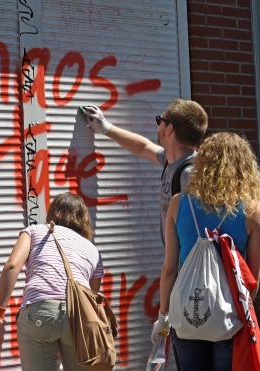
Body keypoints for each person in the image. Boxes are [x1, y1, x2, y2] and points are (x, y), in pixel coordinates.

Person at [82, 100, 208, 371]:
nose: (158, 126)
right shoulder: (174, 162)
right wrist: (105, 128)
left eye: (159, 121)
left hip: (190, 277)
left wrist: (164, 312)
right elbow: (142, 147)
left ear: (169, 129)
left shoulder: (190, 174)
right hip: (181, 276)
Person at [154, 132, 260, 370]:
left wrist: (163, 317)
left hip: (185, 317)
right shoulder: (253, 210)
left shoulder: (178, 202)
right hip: (228, 319)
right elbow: (252, 281)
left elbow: (169, 269)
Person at [0, 192, 104, 371]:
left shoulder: (35, 231)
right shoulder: (92, 250)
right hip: (78, 318)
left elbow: (11, 266)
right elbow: (93, 299)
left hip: (40, 312)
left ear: (53, 212)